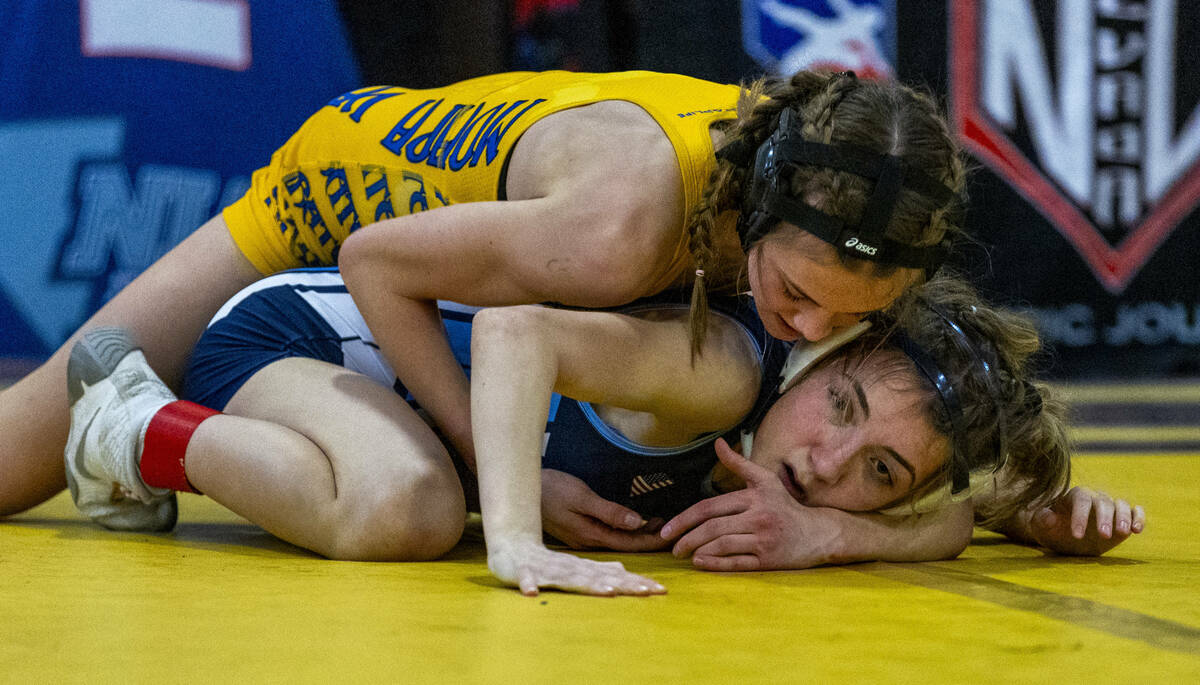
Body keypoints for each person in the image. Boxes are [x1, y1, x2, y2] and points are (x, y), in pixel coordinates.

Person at [1, 69, 966, 531]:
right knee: (12, 460)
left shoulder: (833, 201)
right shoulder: (622, 231)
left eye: (847, 316)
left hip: (455, 229)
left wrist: (1037, 504)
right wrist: (511, 481)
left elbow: (938, 416)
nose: (810, 331)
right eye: (794, 296)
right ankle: (127, 429)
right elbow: (373, 262)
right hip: (332, 196)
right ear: (750, 214)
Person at [62, 269, 1143, 596]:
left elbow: (953, 519)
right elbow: (518, 333)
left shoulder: (832, 495)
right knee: (414, 508)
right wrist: (516, 503)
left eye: (878, 472)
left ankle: (163, 439)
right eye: (841, 408)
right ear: (818, 356)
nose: (822, 462)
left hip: (383, 406)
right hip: (312, 336)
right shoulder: (723, 369)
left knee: (425, 496)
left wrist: (838, 535)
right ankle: (133, 423)